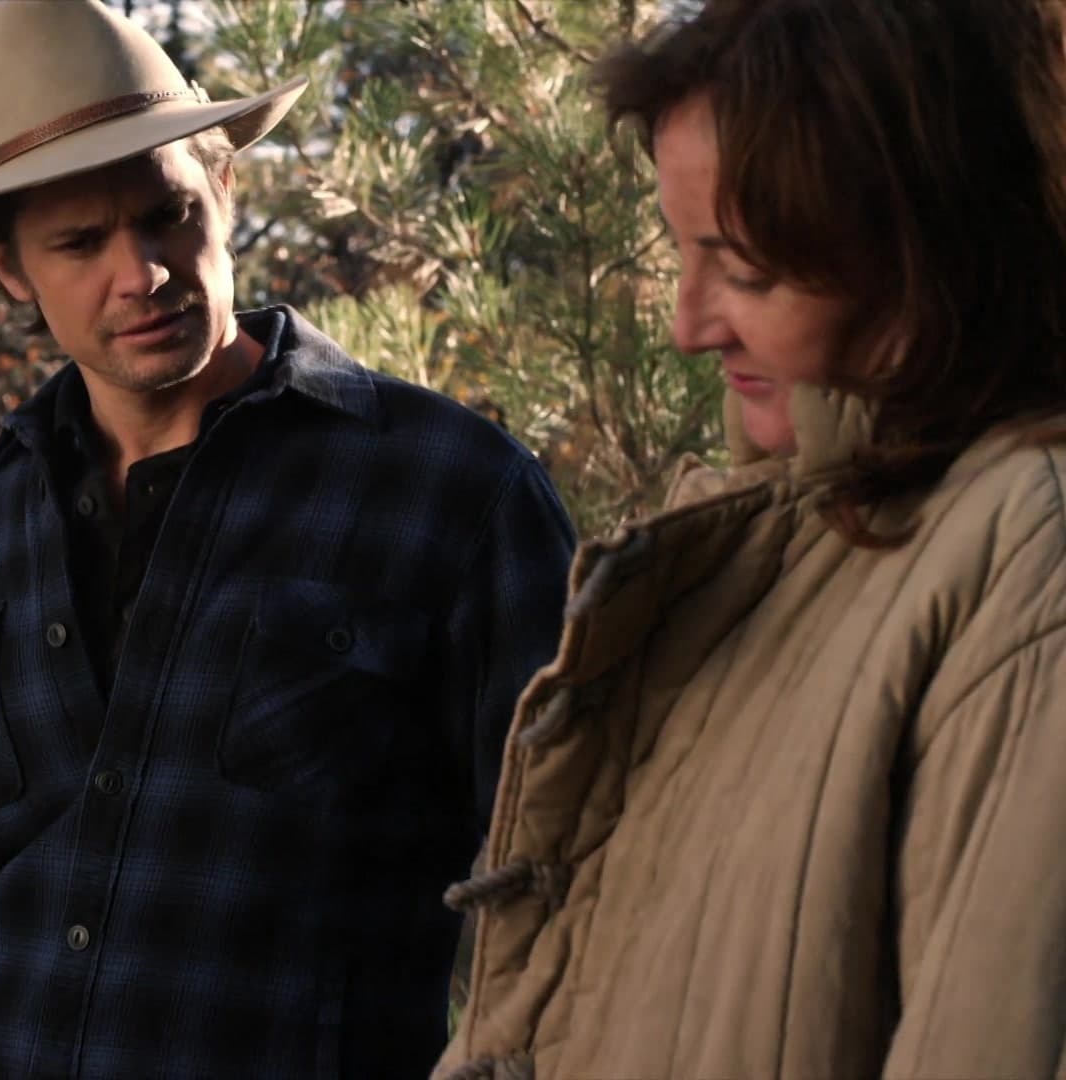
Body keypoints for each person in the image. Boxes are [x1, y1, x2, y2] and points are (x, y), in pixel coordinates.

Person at [0, 1, 576, 1075]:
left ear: (225, 188)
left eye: (167, 215)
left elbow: (570, 895)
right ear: (7, 270)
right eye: (80, 242)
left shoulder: (450, 493)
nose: (143, 273)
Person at [437, 0, 1066, 1076]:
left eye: (746, 269)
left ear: (937, 249)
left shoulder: (1028, 562)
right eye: (681, 253)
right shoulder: (776, 547)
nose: (688, 327)